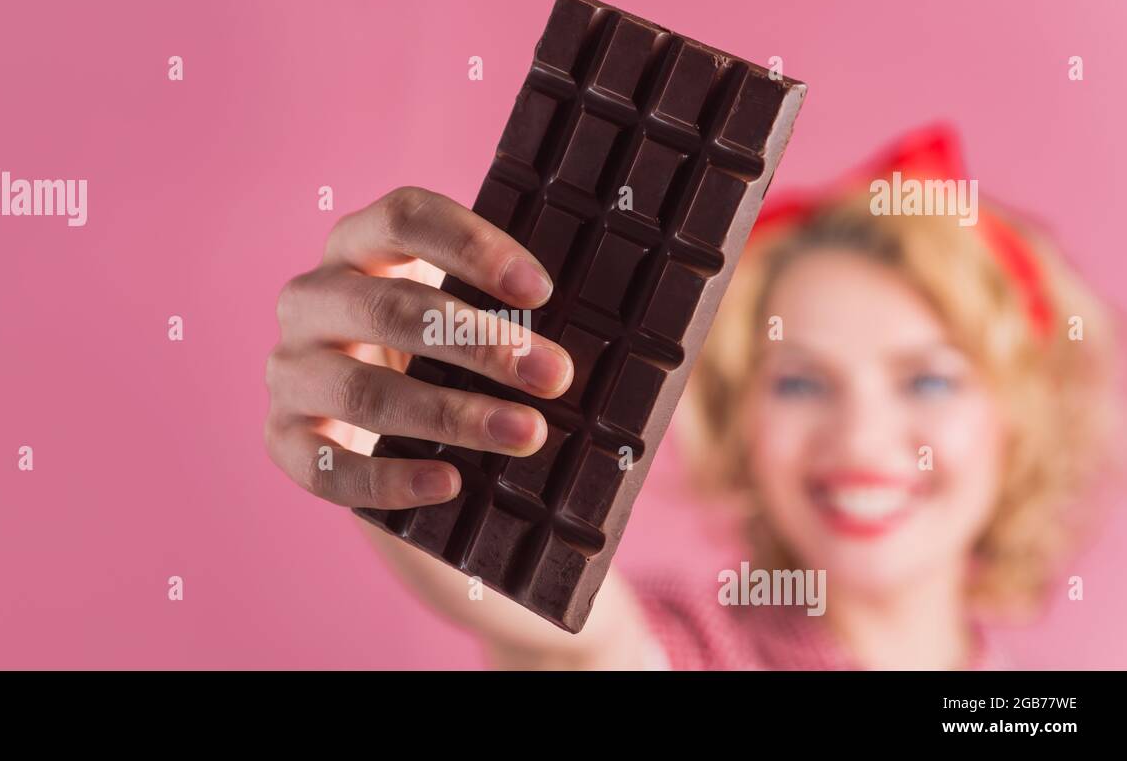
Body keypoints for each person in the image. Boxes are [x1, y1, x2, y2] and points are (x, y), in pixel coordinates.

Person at [263, 125, 1118, 669]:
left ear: (1022, 422)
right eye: (801, 379)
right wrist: (390, 423)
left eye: (928, 377)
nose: (861, 435)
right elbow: (579, 645)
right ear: (743, 421)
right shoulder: (694, 650)